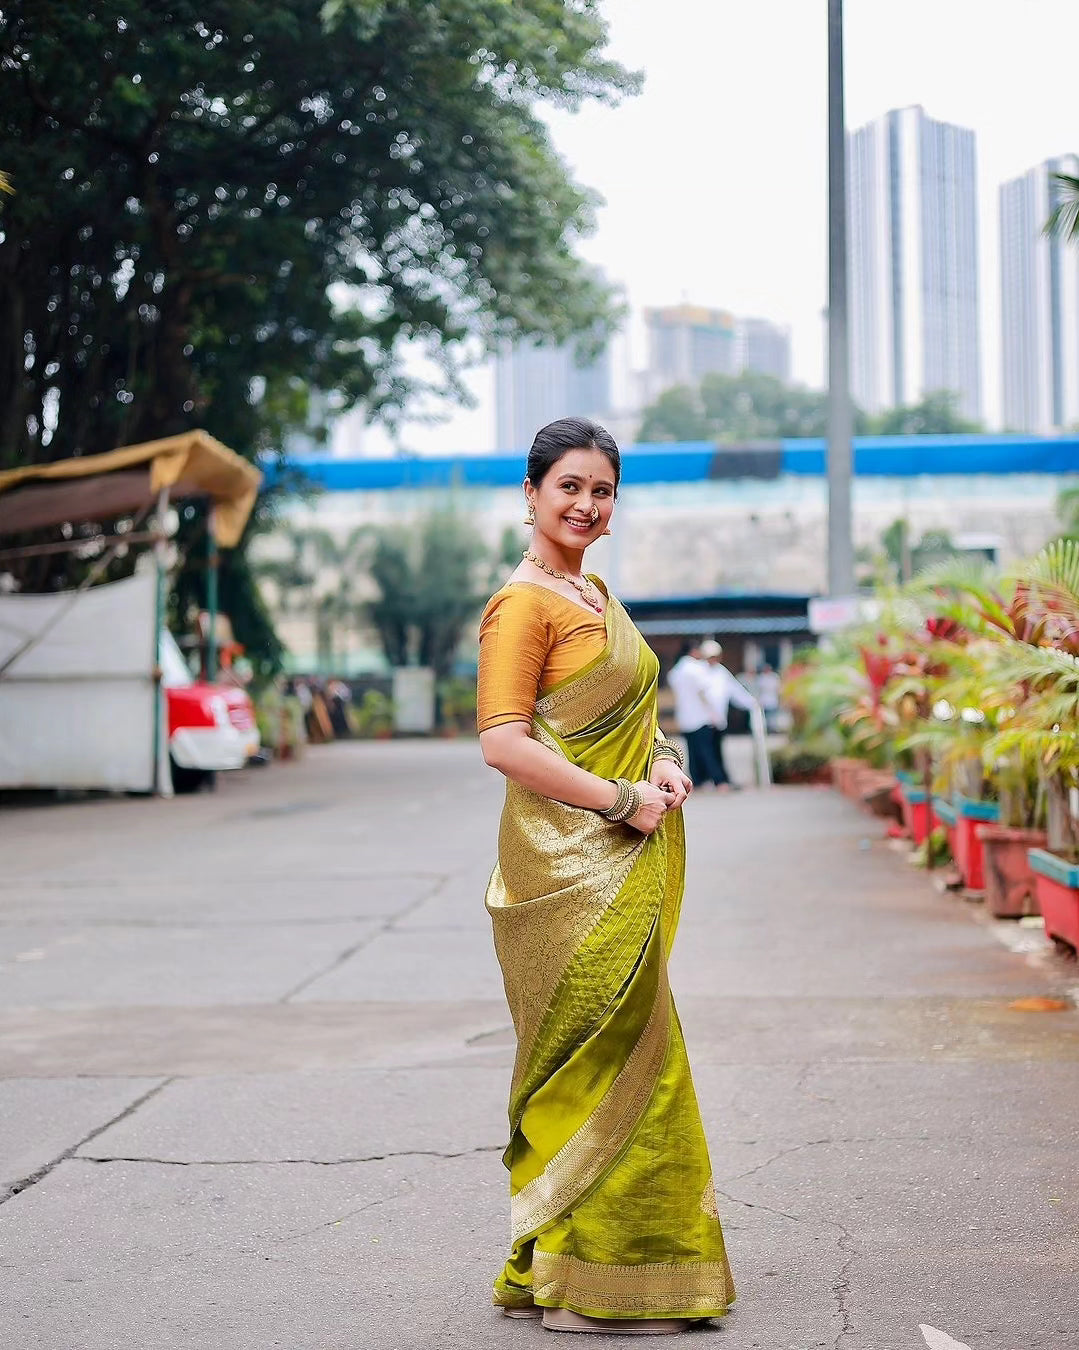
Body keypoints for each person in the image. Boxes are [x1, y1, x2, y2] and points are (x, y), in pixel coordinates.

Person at [477, 417, 735, 1336]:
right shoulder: (524, 605)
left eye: (603, 490)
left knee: (640, 1055)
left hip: (630, 854)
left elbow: (638, 717)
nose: (587, 505)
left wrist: (660, 759)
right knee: (604, 1065)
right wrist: (620, 798)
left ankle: (578, 1263)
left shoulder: (591, 593)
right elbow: (503, 743)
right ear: (532, 494)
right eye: (570, 488)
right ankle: (595, 1284)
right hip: (567, 874)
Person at [698, 640, 759, 791]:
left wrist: (752, 703)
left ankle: (721, 780)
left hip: (718, 719)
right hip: (703, 719)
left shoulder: (721, 672)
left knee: (717, 750)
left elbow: (735, 691)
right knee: (707, 752)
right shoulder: (698, 671)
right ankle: (717, 780)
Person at [667, 640, 727, 788]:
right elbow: (703, 692)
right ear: (694, 651)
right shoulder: (696, 668)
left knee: (692, 752)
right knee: (708, 751)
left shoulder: (676, 670)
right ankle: (719, 781)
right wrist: (713, 712)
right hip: (701, 716)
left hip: (685, 717)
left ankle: (697, 781)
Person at [756, 663, 782, 733]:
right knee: (764, 716)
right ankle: (765, 729)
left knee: (773, 716)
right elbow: (758, 690)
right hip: (764, 699)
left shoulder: (775, 677)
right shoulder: (760, 678)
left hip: (773, 699)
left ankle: (772, 729)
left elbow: (778, 689)